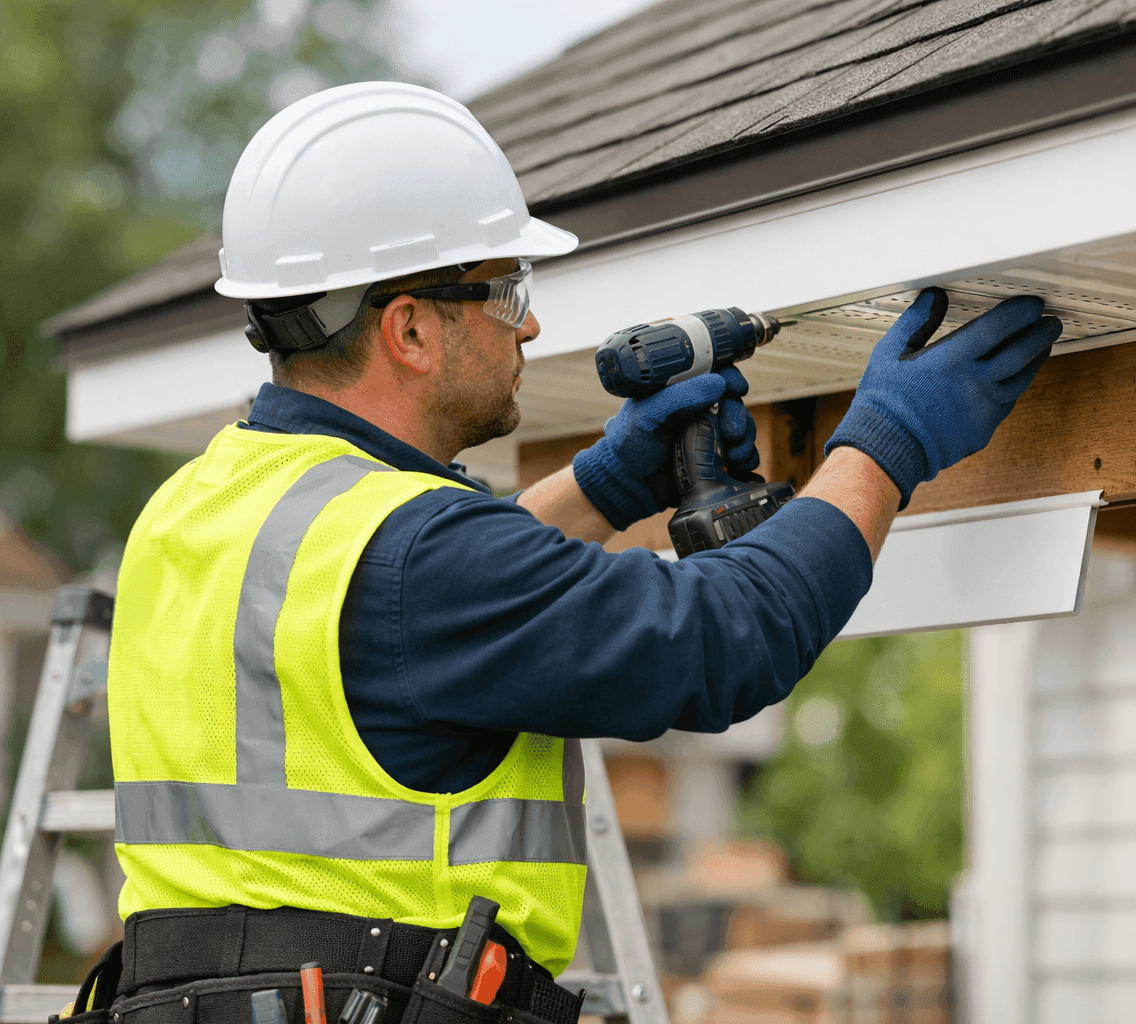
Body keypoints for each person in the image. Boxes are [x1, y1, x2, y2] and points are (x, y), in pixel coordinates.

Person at [93, 83, 1061, 1024]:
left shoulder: (191, 511)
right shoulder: (418, 556)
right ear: (411, 328)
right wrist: (885, 445)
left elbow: (398, 625)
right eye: (506, 288)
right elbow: (721, 638)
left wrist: (602, 488)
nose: (531, 321)